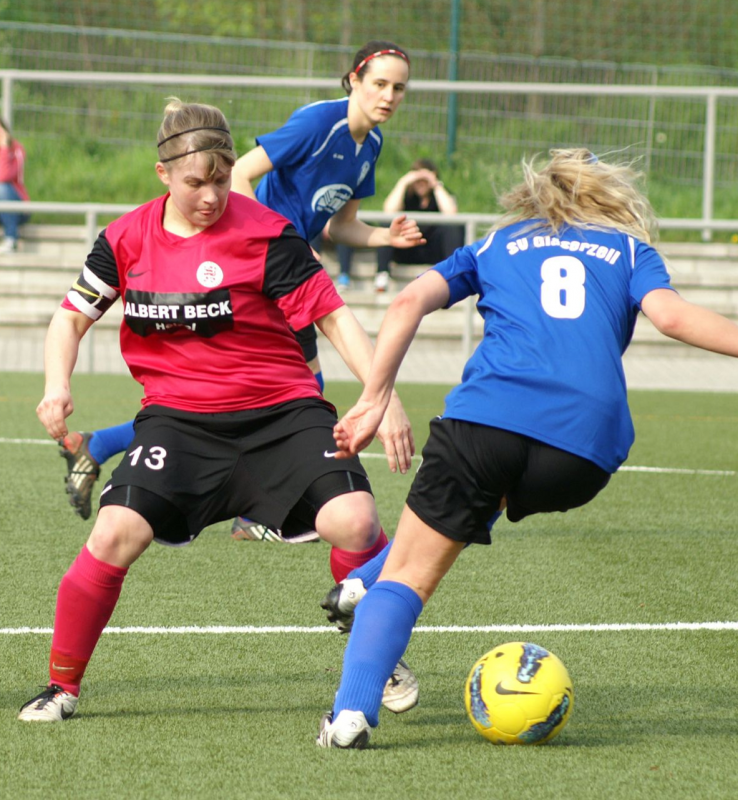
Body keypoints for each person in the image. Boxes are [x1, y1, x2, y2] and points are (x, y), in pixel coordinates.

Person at [314, 148, 738, 748]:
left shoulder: (495, 244)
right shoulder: (628, 251)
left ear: (536, 193)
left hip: (484, 424)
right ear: (608, 194)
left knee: (409, 576)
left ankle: (350, 717)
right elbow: (670, 318)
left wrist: (376, 395)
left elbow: (408, 301)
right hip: (584, 453)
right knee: (484, 496)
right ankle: (360, 585)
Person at [19, 97, 416, 723]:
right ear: (163, 175)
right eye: (195, 183)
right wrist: (55, 384)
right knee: (114, 533)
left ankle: (374, 648)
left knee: (355, 521)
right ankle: (61, 686)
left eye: (222, 179)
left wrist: (380, 397)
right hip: (177, 422)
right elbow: (70, 318)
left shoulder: (266, 233)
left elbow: (334, 319)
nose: (211, 195)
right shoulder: (124, 239)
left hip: (282, 412)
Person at [57, 40, 424, 536]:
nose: (389, 95)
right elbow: (245, 175)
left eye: (399, 87)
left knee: (300, 396)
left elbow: (341, 226)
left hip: (285, 275)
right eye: (379, 83)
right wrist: (269, 237)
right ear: (354, 81)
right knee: (281, 395)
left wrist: (384, 237)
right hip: (256, 275)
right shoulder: (319, 124)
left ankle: (107, 447)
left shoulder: (370, 146)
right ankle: (256, 509)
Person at [336, 158, 464, 292]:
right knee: (388, 224)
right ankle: (382, 275)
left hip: (432, 248)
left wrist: (436, 185)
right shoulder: (406, 195)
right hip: (406, 247)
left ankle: (452, 275)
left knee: (452, 227)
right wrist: (403, 182)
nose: (421, 184)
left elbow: (451, 213)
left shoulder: (441, 194)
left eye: (424, 181)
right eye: (417, 180)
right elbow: (388, 210)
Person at [0, 118, 30, 254]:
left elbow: (5, 176)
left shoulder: (16, 149)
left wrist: (5, 149)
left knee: (2, 188)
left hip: (17, 205)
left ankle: (11, 239)